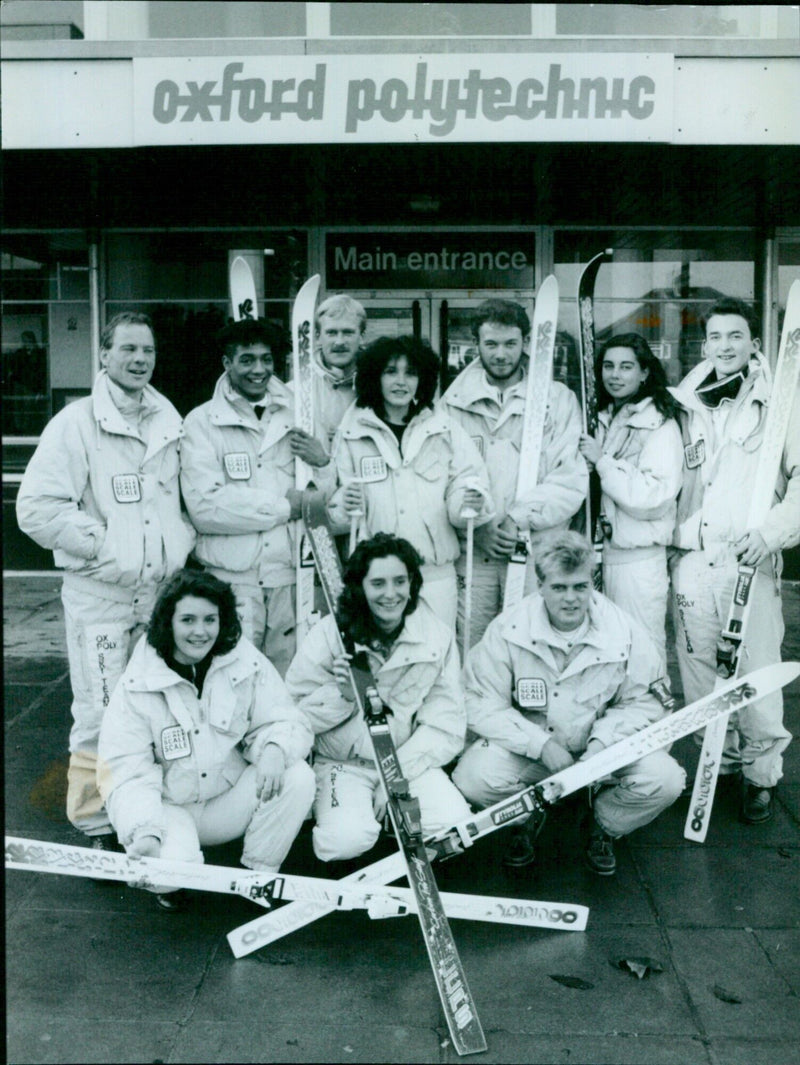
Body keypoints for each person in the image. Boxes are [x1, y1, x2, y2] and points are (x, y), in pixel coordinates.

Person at [16, 312, 195, 851]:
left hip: (159, 597)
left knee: (158, 708)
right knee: (98, 711)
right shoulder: (75, 424)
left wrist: (177, 540)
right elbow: (35, 508)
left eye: (148, 351)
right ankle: (96, 823)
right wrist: (101, 544)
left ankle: (145, 813)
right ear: (105, 355)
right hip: (102, 598)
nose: (140, 360)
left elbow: (179, 499)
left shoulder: (168, 418)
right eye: (128, 350)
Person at [452, 532, 685, 875]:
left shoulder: (623, 630)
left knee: (666, 779)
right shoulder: (508, 629)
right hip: (534, 753)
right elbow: (479, 701)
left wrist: (602, 744)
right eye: (559, 587)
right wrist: (540, 744)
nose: (571, 599)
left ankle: (603, 823)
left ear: (592, 583)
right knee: (472, 777)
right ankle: (529, 815)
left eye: (579, 586)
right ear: (541, 584)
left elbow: (647, 702)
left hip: (600, 754)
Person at [96, 570, 315, 911]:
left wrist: (274, 747)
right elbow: (126, 770)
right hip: (169, 810)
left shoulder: (244, 660)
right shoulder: (137, 683)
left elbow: (285, 718)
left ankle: (256, 876)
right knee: (162, 874)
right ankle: (172, 875)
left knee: (296, 774)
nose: (200, 631)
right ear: (167, 621)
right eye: (187, 619)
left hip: (225, 801)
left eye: (209, 619)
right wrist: (145, 832)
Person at [670, 296, 799, 824]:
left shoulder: (783, 402)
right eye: (716, 337)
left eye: (735, 336)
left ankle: (759, 775)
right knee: (699, 672)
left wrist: (771, 534)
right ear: (706, 345)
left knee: (758, 671)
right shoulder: (685, 403)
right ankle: (716, 766)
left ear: (754, 343)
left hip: (752, 558)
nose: (725, 346)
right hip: (697, 562)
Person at [285, 533, 471, 863]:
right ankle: (356, 818)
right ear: (361, 586)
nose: (390, 594)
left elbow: (447, 723)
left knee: (454, 827)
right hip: (344, 763)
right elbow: (293, 717)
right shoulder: (331, 634)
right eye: (378, 583)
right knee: (344, 843)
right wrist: (343, 696)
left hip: (406, 761)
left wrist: (395, 777)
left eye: (400, 581)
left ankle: (391, 818)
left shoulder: (435, 636)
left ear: (413, 583)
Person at [180, 318, 335, 677]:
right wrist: (284, 507)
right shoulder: (201, 423)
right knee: (232, 678)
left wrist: (323, 464)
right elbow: (206, 508)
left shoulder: (301, 415)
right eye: (247, 359)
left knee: (289, 681)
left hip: (291, 577)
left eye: (267, 359)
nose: (259, 369)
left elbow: (327, 500)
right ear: (227, 363)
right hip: (232, 580)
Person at [440, 298, 587, 649]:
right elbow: (442, 480)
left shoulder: (557, 400)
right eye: (491, 344)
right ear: (476, 344)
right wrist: (481, 523)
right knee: (470, 649)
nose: (501, 354)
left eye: (510, 343)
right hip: (475, 551)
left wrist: (516, 520)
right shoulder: (451, 403)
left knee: (530, 646)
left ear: (525, 343)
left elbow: (569, 479)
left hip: (535, 551)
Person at [328, 335, 493, 626]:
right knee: (382, 658)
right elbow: (336, 509)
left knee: (437, 658)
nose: (401, 381)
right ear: (375, 376)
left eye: (411, 372)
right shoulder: (352, 432)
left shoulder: (442, 428)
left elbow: (467, 482)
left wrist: (468, 503)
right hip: (377, 577)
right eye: (391, 371)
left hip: (434, 574)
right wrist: (344, 504)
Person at [578, 333, 683, 665]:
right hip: (599, 556)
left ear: (644, 372)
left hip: (638, 560)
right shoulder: (602, 418)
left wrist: (603, 462)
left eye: (626, 367)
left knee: (641, 650)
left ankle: (651, 715)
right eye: (608, 366)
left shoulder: (659, 424)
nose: (615, 375)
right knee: (602, 650)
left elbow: (653, 496)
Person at [312, 294, 365, 454]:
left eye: (348, 332)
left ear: (361, 337)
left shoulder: (381, 384)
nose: (339, 341)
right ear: (317, 337)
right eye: (331, 333)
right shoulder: (297, 389)